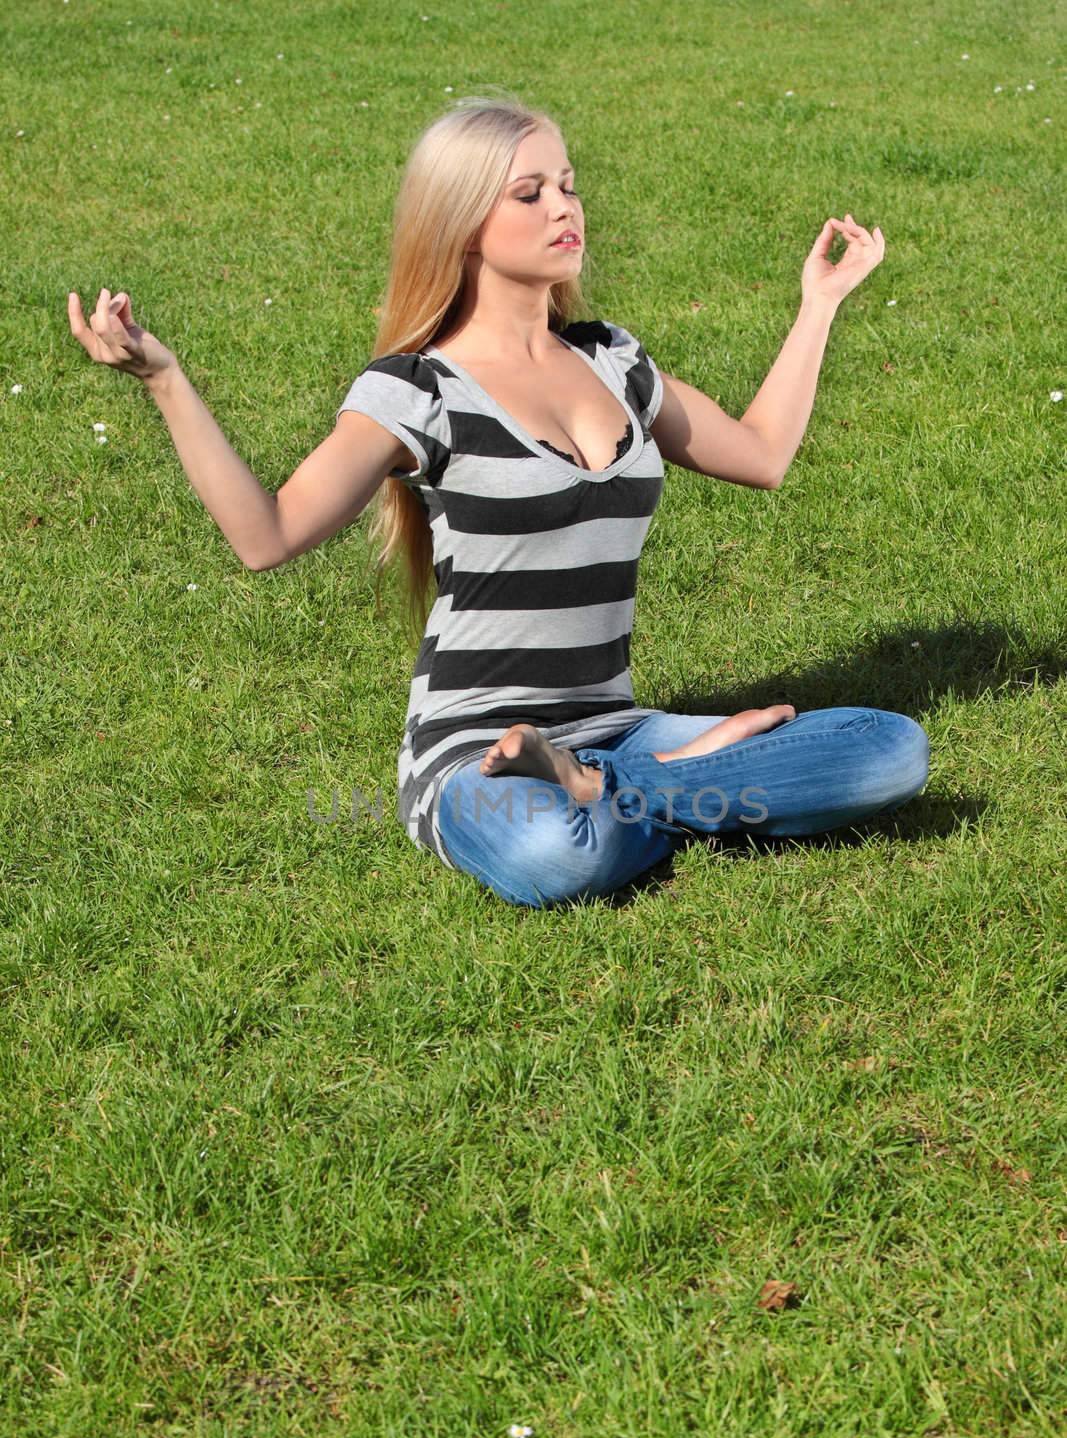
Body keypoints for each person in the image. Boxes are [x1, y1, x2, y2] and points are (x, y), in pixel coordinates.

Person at [66, 94, 929, 909]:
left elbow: (762, 455)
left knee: (890, 750)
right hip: (473, 753)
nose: (565, 208)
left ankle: (623, 788)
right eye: (530, 193)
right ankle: (660, 789)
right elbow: (269, 536)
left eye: (567, 186)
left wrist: (819, 304)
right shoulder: (419, 392)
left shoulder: (611, 363)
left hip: (617, 728)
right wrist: (166, 381)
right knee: (553, 855)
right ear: (464, 225)